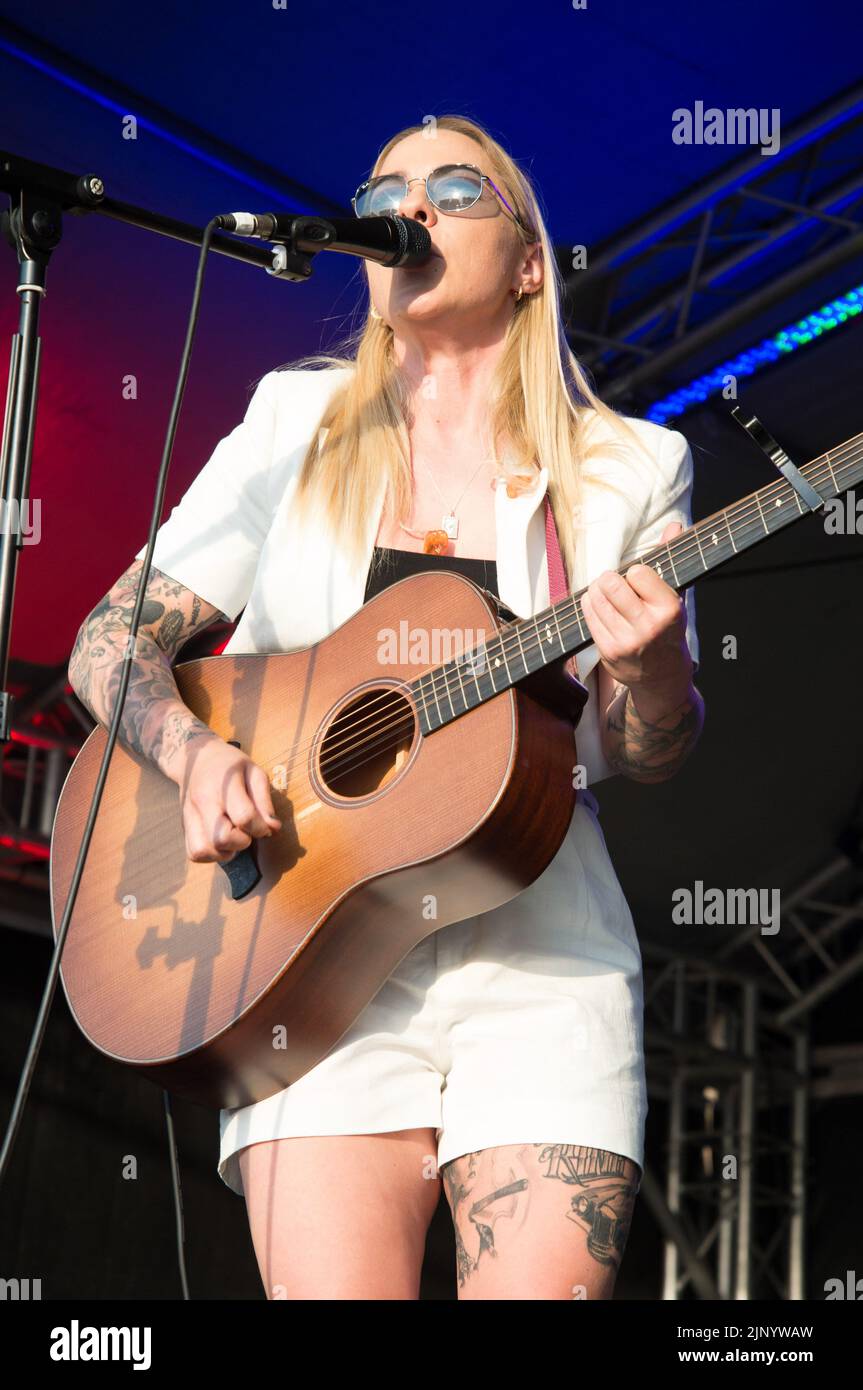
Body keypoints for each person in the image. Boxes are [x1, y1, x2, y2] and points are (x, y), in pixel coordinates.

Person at [68, 114, 704, 1300]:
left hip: (536, 959)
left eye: (453, 185)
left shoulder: (631, 466)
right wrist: (195, 756)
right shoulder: (293, 425)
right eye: (383, 187)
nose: (407, 205)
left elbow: (644, 750)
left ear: (527, 261)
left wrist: (656, 673)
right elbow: (109, 640)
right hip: (304, 954)